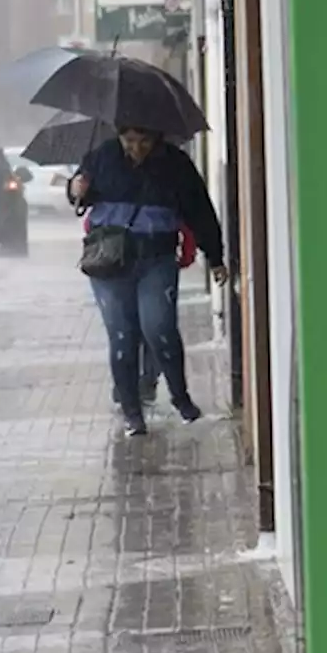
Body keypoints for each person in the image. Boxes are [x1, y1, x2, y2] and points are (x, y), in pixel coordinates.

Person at [69, 127, 227, 436]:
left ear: (156, 139)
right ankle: (132, 412)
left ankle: (182, 400)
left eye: (144, 142)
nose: (136, 149)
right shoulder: (102, 156)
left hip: (156, 258)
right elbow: (79, 197)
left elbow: (199, 209)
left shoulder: (175, 164)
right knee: (122, 336)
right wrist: (76, 189)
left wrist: (215, 256)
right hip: (109, 260)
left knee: (160, 327)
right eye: (129, 142)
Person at [81, 209, 199, 408]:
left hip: (125, 255)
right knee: (146, 329)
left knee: (142, 328)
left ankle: (138, 387)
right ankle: (144, 385)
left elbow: (89, 222)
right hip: (132, 258)